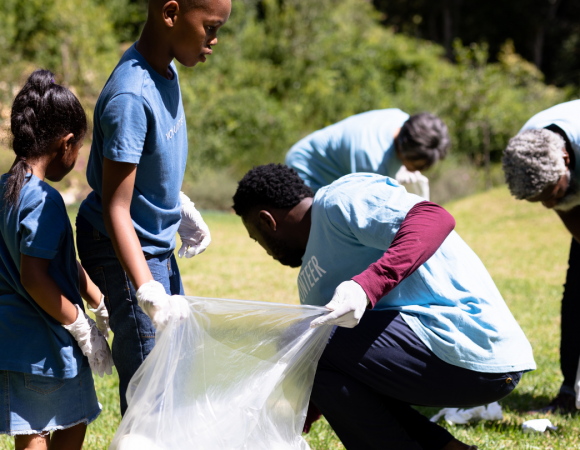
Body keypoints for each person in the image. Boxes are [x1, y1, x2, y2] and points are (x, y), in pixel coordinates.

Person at [232, 164, 535, 450]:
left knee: (306, 339)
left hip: (474, 347)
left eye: (255, 238)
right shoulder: (310, 284)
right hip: (436, 367)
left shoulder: (339, 201)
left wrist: (368, 285)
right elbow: (336, 372)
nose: (264, 249)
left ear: (266, 221)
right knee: (308, 342)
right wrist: (301, 409)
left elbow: (434, 218)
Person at [76, 0, 231, 415]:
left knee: (174, 367)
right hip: (121, 246)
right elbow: (115, 206)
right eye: (210, 28)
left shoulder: (167, 70)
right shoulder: (131, 96)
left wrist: (175, 205)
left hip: (150, 240)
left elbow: (152, 165)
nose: (215, 41)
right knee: (153, 386)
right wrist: (147, 290)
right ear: (170, 14)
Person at [0, 70, 113, 450]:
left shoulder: (7, 188)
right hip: (42, 343)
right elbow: (35, 277)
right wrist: (81, 328)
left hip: (8, 340)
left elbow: (61, 259)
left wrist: (97, 299)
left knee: (50, 424)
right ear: (65, 144)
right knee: (66, 425)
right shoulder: (44, 199)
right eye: (79, 149)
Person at [502, 99, 580, 414]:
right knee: (577, 291)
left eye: (552, 195)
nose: (548, 207)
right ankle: (568, 393)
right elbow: (564, 205)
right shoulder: (527, 147)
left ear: (565, 158)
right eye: (539, 201)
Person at [284, 110, 450, 198]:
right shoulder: (372, 162)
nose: (415, 171)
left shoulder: (402, 120)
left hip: (334, 161)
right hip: (307, 168)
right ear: (403, 153)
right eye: (416, 166)